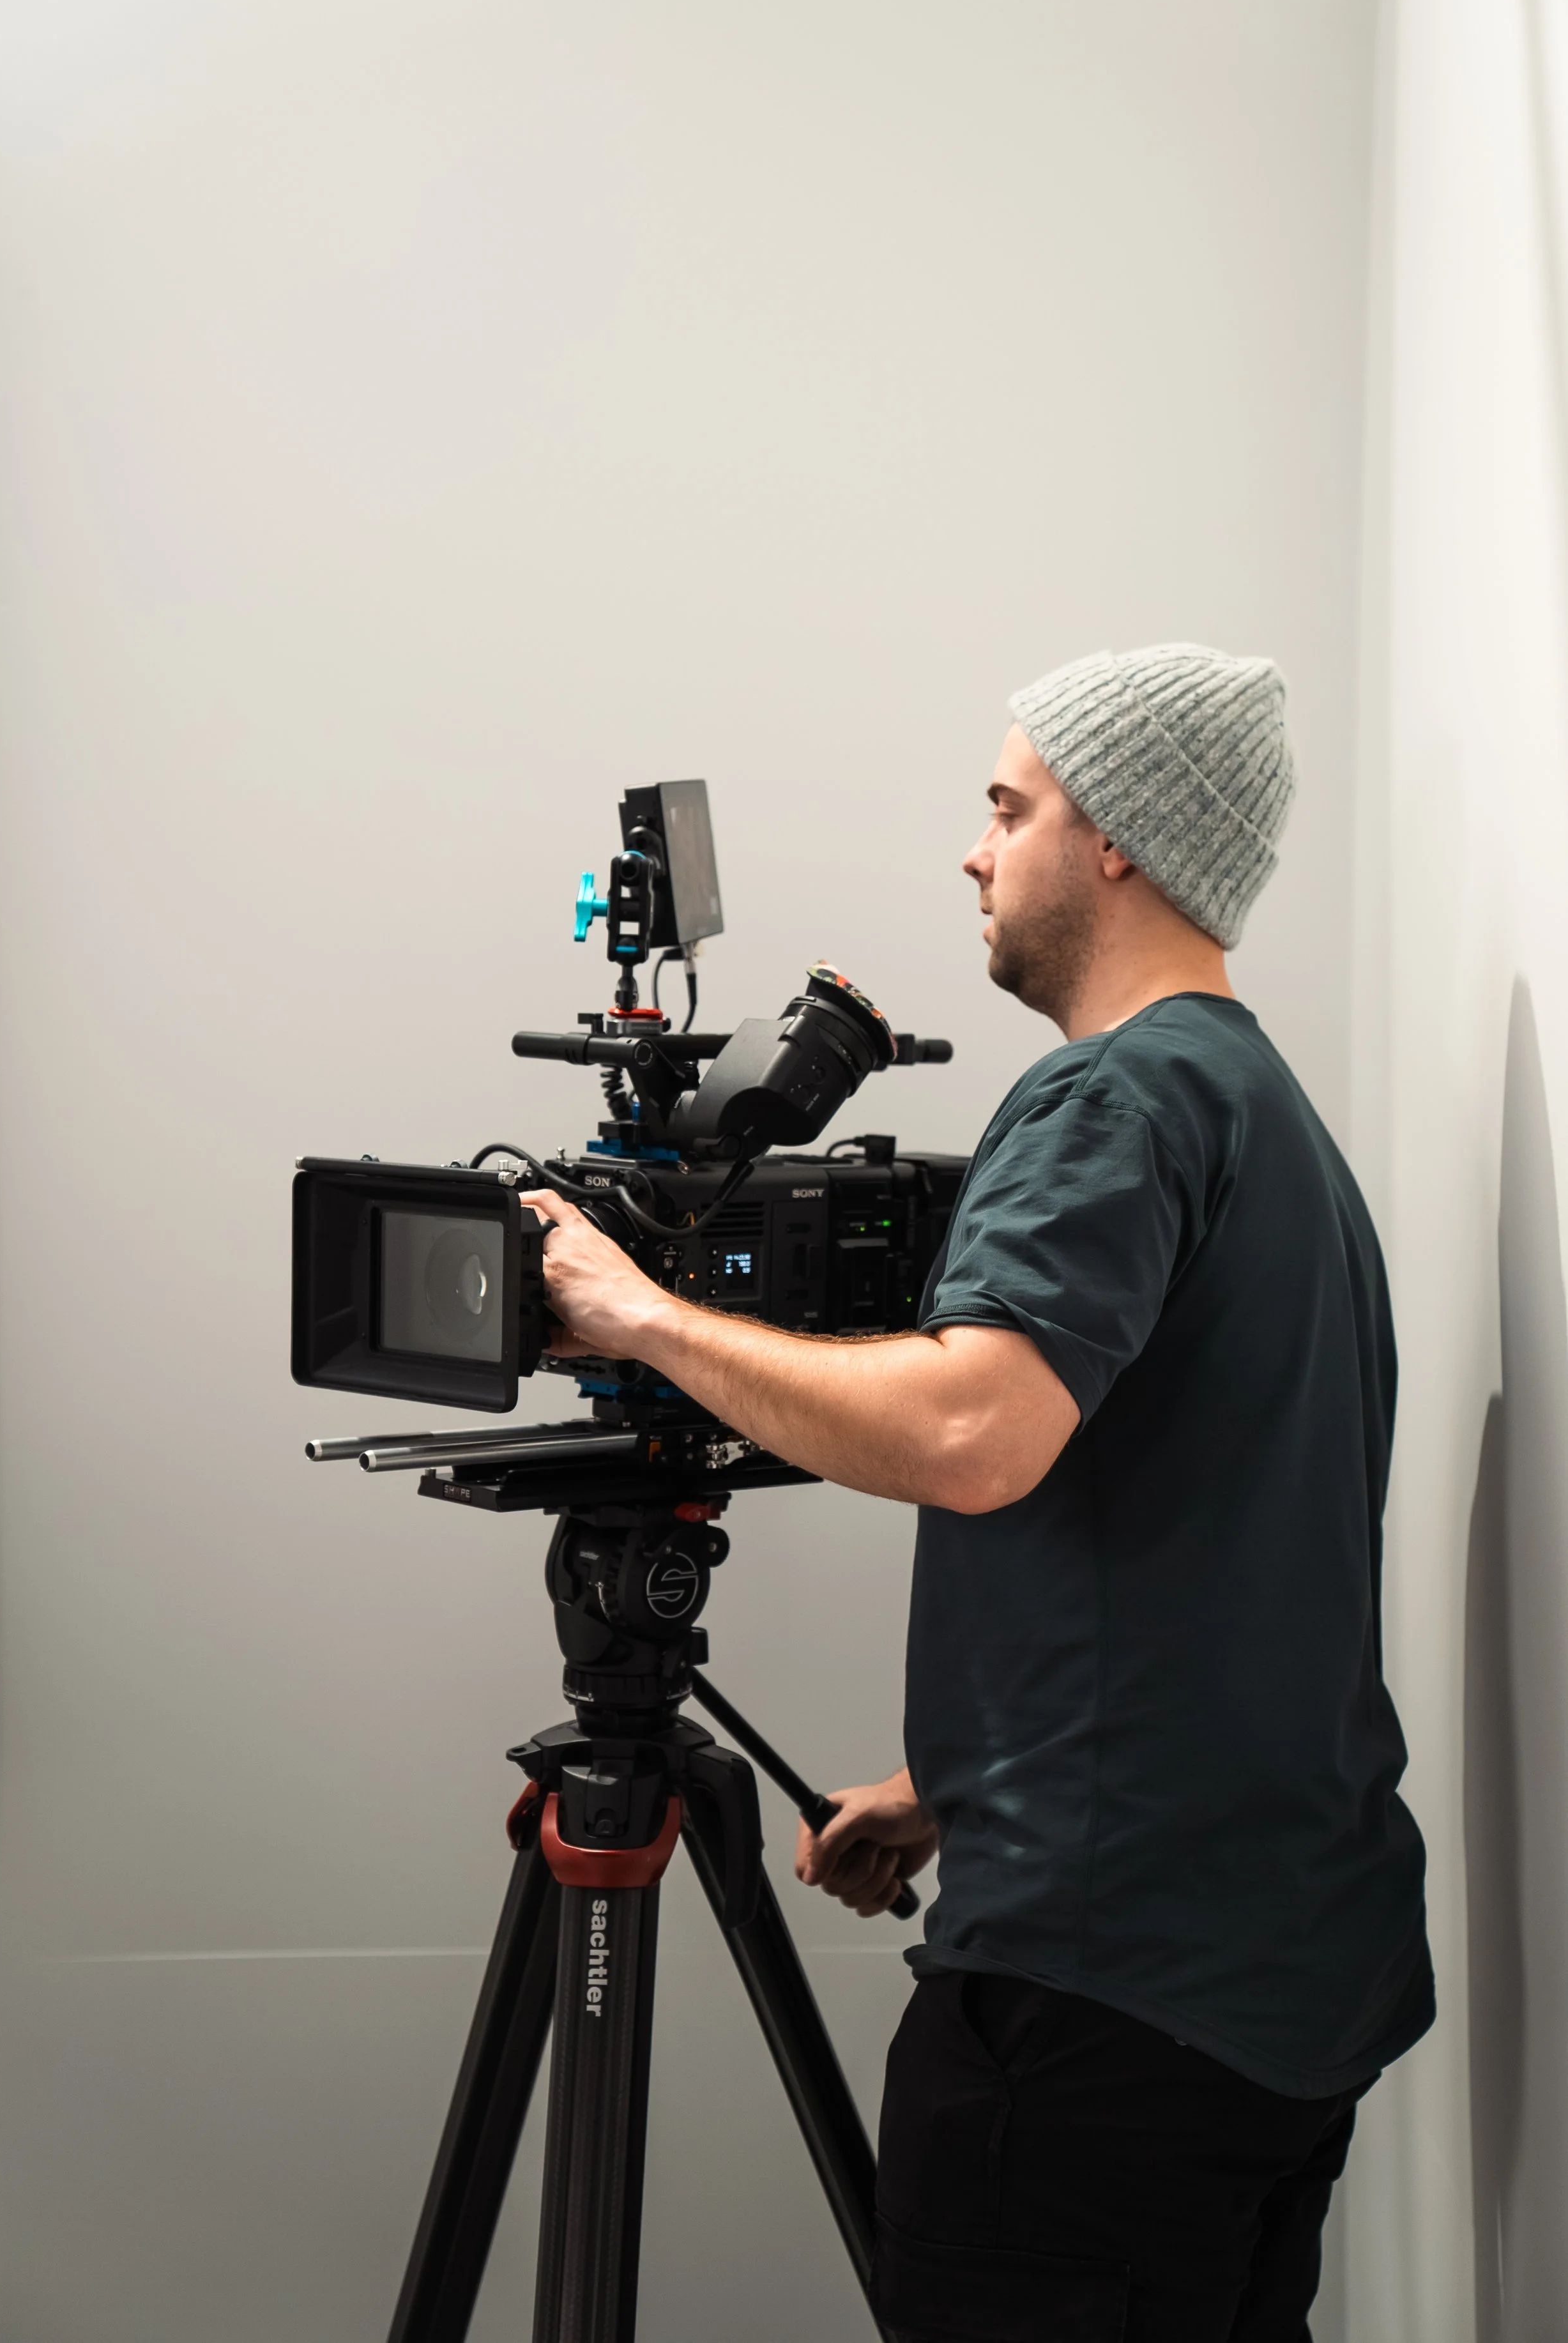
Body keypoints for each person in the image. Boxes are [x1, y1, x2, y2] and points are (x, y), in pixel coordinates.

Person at [522, 643, 1432, 2343]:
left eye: (1006, 807)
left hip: (1105, 2016)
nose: (972, 847)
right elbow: (1227, 1560)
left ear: (1120, 843)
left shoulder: (1111, 1098)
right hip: (1284, 1972)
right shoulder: (1270, 1122)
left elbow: (973, 1432)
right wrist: (957, 1781)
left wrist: (636, 1313)